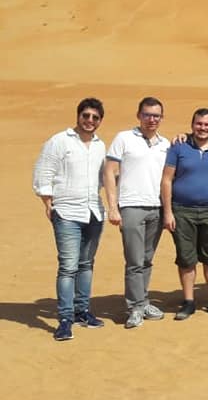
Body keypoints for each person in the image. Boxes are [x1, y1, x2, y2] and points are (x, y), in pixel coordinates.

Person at [33, 98, 107, 341]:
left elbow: (105, 177)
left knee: (86, 264)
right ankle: (65, 318)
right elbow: (44, 172)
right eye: (86, 116)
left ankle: (82, 311)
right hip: (66, 212)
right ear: (78, 116)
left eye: (95, 117)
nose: (90, 121)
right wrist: (48, 203)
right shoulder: (60, 141)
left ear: (100, 121)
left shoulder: (100, 146)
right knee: (68, 267)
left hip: (93, 212)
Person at [102, 97, 170, 329]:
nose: (152, 119)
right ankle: (135, 307)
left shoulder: (165, 144)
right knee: (134, 260)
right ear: (139, 115)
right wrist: (113, 207)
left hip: (156, 207)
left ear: (161, 118)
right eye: (147, 114)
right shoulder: (124, 138)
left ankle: (143, 301)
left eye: (156, 115)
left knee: (147, 259)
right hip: (131, 206)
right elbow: (109, 172)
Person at [161, 108, 208, 320]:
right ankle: (188, 301)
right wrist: (168, 212)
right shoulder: (179, 147)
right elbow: (166, 179)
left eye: (207, 124)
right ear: (192, 125)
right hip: (182, 211)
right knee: (186, 258)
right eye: (199, 124)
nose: (203, 128)